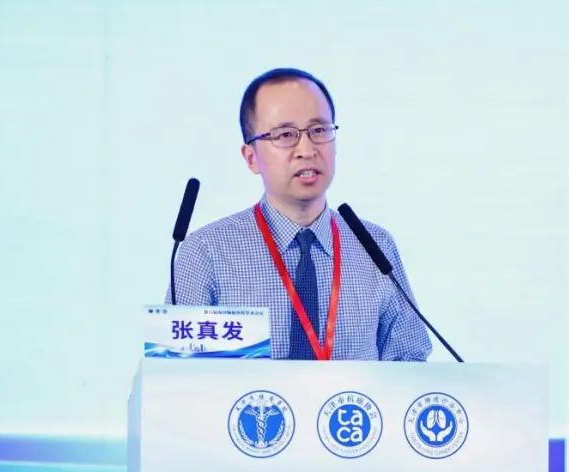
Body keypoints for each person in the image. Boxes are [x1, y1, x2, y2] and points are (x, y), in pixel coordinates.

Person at [168, 68, 432, 362]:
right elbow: (180, 373)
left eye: (319, 131)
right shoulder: (206, 252)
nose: (307, 150)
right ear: (251, 158)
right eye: (285, 135)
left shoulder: (375, 247)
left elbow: (409, 361)